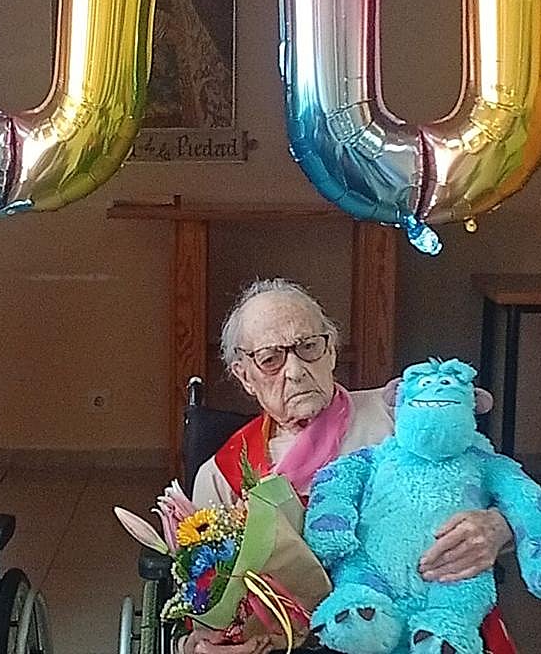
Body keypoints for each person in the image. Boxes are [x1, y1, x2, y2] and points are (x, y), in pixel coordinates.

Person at [183, 279, 515, 654]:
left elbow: (504, 491)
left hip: (413, 625)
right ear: (245, 375)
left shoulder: (401, 418)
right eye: (271, 358)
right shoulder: (221, 474)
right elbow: (203, 607)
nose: (294, 371)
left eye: (308, 347)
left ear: (331, 353)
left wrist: (499, 527)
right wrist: (198, 646)